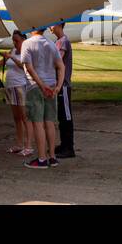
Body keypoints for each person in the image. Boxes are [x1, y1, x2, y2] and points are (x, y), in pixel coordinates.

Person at [19, 25, 64, 169]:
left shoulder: (27, 43)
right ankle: (52, 157)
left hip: (35, 87)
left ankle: (42, 159)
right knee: (49, 122)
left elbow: (29, 68)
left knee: (37, 123)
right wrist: (58, 86)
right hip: (51, 85)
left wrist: (41, 85)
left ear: (32, 28)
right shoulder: (51, 43)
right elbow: (61, 66)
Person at [0, 30, 33, 156]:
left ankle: (28, 145)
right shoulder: (12, 50)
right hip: (10, 86)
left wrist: (12, 57)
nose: (14, 43)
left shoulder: (26, 52)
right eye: (13, 40)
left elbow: (22, 66)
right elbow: (1, 63)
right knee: (16, 118)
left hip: (21, 86)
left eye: (16, 40)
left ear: (23, 40)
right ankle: (19, 144)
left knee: (25, 117)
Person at [51, 20, 75, 158]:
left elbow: (58, 61)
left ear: (59, 25)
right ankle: (64, 144)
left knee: (66, 117)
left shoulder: (63, 41)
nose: (50, 27)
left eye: (52, 24)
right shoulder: (58, 41)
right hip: (58, 85)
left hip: (64, 86)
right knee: (61, 117)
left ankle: (69, 148)